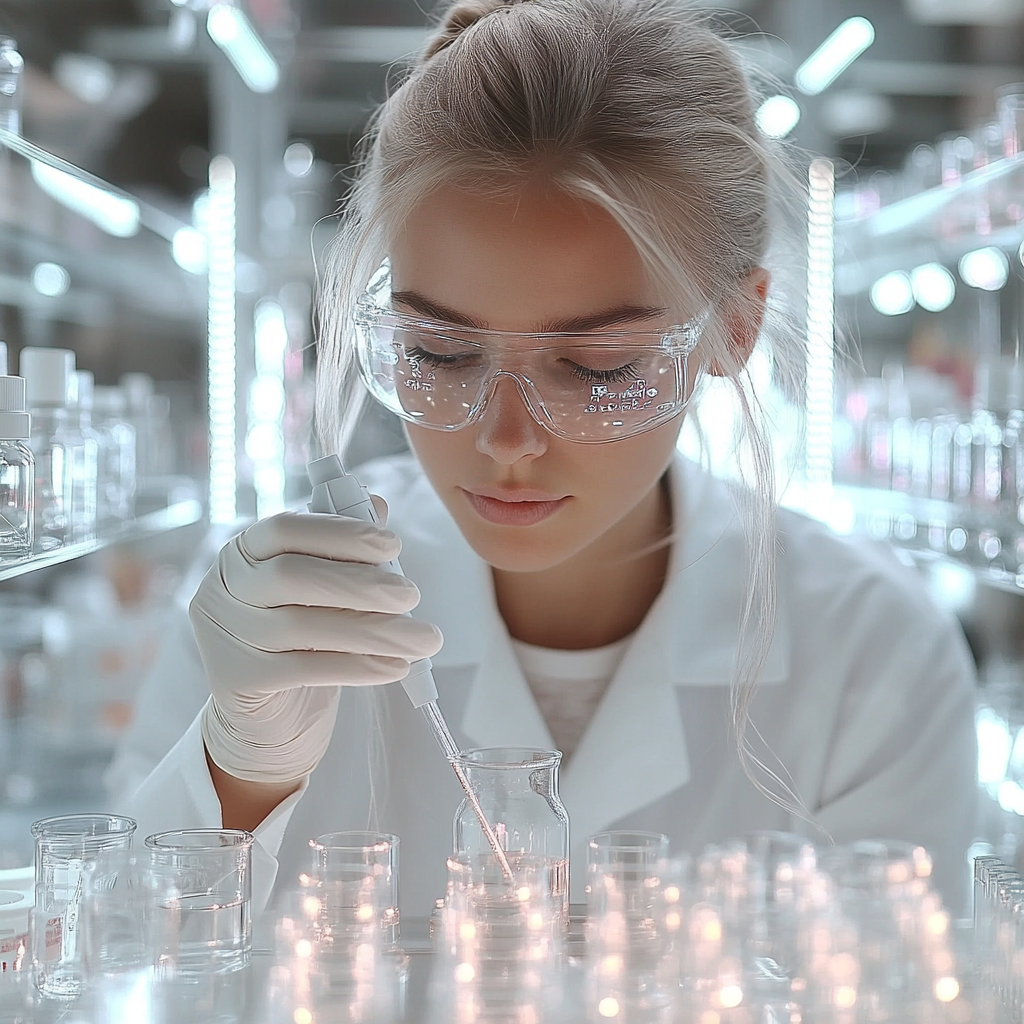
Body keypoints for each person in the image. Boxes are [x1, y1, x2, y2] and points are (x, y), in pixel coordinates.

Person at [119, 0, 978, 923]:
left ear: (735, 327)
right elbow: (114, 961)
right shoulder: (273, 622)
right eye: (440, 353)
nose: (506, 440)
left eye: (596, 368)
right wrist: (241, 772)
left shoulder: (870, 650)